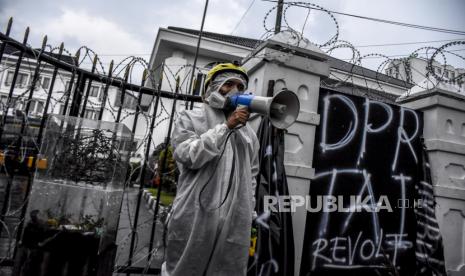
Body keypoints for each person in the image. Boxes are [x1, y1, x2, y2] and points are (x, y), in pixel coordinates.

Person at [161, 63, 260, 276]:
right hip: (195, 213)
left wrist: (249, 213)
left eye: (240, 86)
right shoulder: (191, 118)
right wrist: (226, 128)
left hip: (234, 220)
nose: (235, 91)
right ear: (212, 88)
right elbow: (188, 155)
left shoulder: (249, 133)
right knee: (184, 269)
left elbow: (252, 175)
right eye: (228, 84)